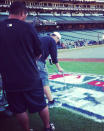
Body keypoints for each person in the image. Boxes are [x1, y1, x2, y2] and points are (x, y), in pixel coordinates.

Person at [0, 1, 54, 131]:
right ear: (23, 13)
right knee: (41, 104)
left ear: (9, 12)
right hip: (30, 76)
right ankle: (47, 127)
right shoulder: (28, 28)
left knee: (19, 109)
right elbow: (39, 53)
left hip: (9, 79)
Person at [37, 32, 64, 108]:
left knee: (35, 80)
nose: (57, 42)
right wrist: (59, 67)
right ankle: (51, 102)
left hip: (29, 61)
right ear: (56, 37)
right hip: (38, 61)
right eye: (58, 40)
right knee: (44, 80)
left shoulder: (42, 37)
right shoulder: (51, 40)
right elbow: (54, 56)